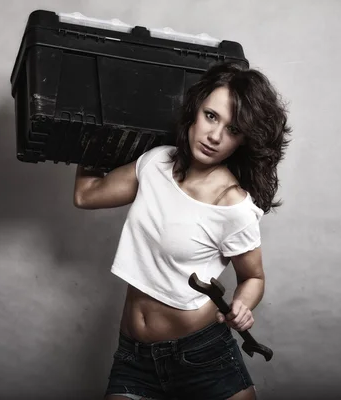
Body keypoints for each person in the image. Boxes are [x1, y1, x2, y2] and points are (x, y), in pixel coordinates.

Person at [73, 61, 290, 400]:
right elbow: (86, 195)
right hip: (134, 357)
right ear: (194, 110)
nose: (215, 136)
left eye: (233, 130)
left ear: (243, 141)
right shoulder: (156, 162)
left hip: (203, 355)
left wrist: (243, 305)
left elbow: (253, 279)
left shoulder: (233, 206)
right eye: (211, 116)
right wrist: (89, 128)